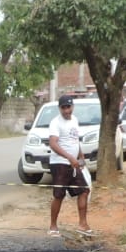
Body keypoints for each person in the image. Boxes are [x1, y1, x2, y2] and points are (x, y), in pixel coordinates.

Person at [47, 95, 91, 237]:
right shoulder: (55, 123)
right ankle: (53, 226)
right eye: (64, 108)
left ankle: (83, 225)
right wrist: (69, 157)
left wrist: (81, 156)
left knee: (84, 190)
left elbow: (75, 140)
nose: (67, 110)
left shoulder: (75, 120)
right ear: (59, 108)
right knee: (59, 195)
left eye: (69, 107)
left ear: (73, 107)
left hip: (73, 164)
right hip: (59, 163)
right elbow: (53, 143)